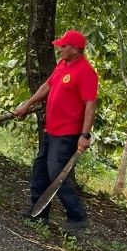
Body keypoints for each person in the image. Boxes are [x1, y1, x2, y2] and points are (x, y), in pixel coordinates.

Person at [13, 29, 98, 235]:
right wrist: (27, 104)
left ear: (76, 49)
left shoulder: (86, 72)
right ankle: (38, 214)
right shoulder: (62, 65)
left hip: (67, 134)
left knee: (56, 173)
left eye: (64, 46)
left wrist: (85, 135)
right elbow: (47, 86)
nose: (59, 49)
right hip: (51, 130)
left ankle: (77, 217)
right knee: (40, 169)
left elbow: (90, 105)